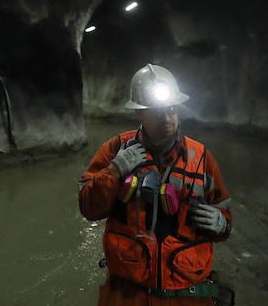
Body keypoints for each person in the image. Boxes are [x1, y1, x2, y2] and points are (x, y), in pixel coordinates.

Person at [78, 63, 232, 301]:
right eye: (157, 111)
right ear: (139, 113)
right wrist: (114, 172)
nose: (167, 117)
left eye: (172, 109)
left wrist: (222, 223)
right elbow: (88, 208)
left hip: (187, 295)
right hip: (127, 294)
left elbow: (224, 209)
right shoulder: (115, 149)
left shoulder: (201, 157)